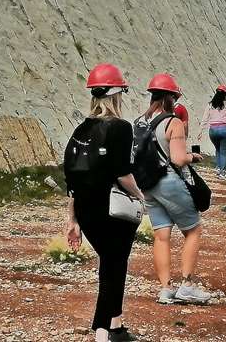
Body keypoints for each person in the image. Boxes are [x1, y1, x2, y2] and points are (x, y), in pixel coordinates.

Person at [64, 63, 143, 342]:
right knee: (113, 266)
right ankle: (101, 331)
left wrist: (72, 220)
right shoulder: (120, 128)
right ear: (116, 95)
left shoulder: (80, 130)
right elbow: (123, 172)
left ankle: (117, 326)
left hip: (86, 210)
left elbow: (71, 179)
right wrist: (141, 196)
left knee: (112, 264)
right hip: (111, 208)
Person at [139, 73, 210, 305]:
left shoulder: (140, 121)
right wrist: (194, 157)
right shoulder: (173, 122)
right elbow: (178, 159)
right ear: (171, 98)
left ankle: (165, 289)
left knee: (161, 235)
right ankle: (187, 285)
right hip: (168, 181)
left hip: (147, 184)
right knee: (193, 230)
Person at [198, 85, 226, 180]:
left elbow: (204, 118)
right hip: (224, 129)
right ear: (225, 95)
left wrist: (200, 131)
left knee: (218, 150)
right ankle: (222, 172)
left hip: (213, 130)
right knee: (224, 152)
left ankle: (218, 168)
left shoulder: (210, 105)